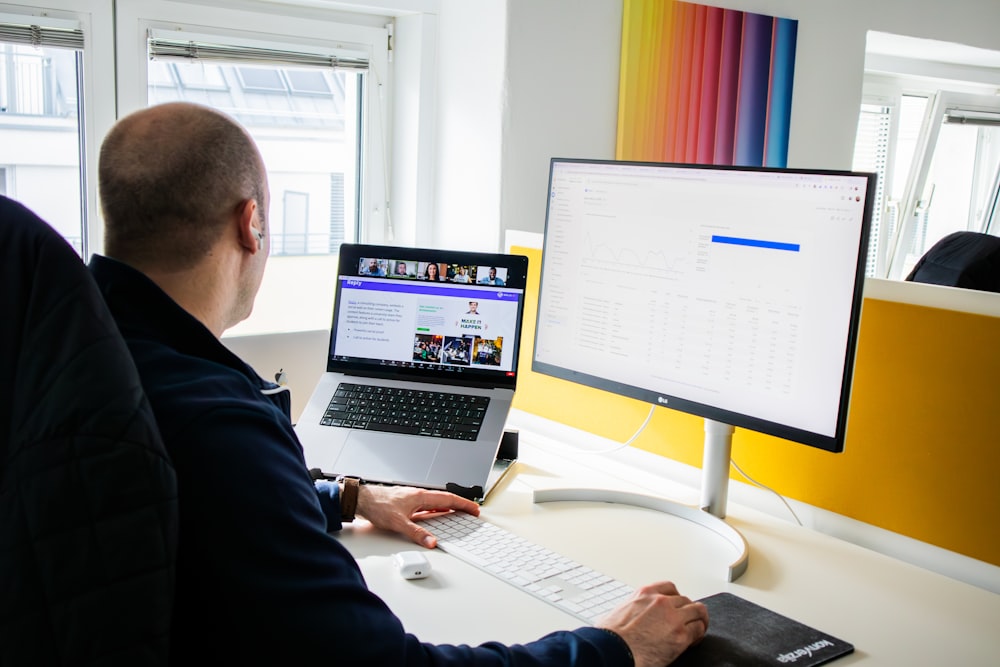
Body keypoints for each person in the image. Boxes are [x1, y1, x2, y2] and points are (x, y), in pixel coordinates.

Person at [88, 102, 708, 666]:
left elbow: (193, 513)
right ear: (251, 225)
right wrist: (612, 648)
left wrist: (347, 499)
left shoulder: (89, 357)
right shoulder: (218, 425)